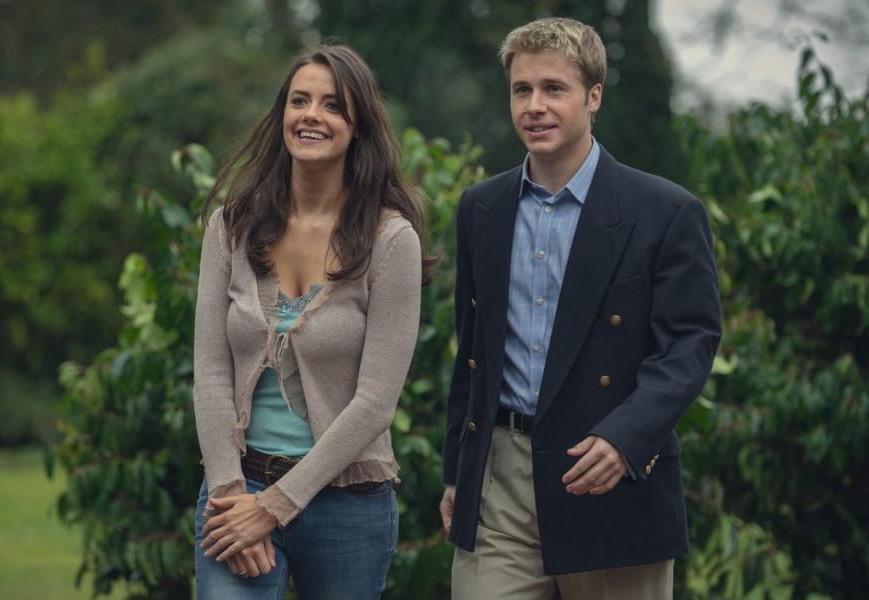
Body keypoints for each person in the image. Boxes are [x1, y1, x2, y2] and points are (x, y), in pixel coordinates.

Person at [438, 17, 721, 600]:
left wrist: (626, 438)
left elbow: (690, 343)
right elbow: (473, 352)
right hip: (500, 480)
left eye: (553, 89)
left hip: (608, 475)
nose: (534, 106)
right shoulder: (480, 209)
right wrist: (456, 475)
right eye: (522, 90)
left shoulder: (666, 211)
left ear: (593, 97)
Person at [192, 44, 429, 600]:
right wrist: (232, 498)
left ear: (357, 125)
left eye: (332, 105)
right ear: (281, 117)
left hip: (347, 504)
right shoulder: (231, 228)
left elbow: (375, 402)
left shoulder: (391, 241)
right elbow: (209, 371)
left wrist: (273, 509)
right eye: (299, 101)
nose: (311, 116)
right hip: (238, 487)